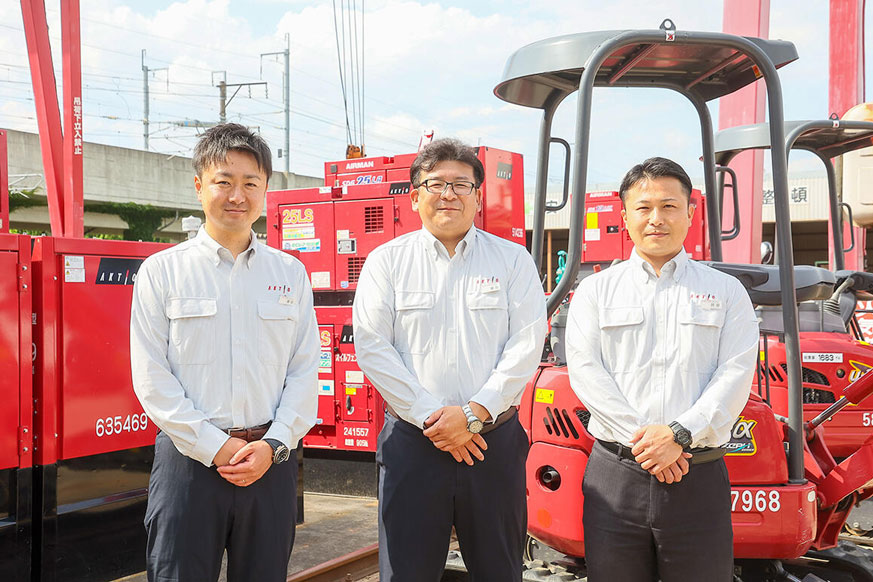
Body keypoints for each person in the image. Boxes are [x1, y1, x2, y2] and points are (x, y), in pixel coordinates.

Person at [130, 123, 319, 582]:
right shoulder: (162, 273)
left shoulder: (290, 274)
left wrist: (273, 445)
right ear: (199, 187)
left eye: (250, 183)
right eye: (224, 182)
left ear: (265, 191)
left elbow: (304, 370)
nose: (238, 195)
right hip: (189, 466)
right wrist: (217, 448)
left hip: (269, 465)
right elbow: (151, 378)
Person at [353, 138, 547, 581]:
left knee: (499, 570)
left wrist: (475, 414)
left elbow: (526, 344)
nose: (448, 194)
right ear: (415, 194)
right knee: (407, 572)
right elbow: (373, 346)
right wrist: (434, 419)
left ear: (479, 196)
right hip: (413, 447)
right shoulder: (387, 262)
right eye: (435, 183)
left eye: (462, 184)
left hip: (492, 445)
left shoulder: (512, 261)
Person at [565, 157, 758, 581]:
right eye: (644, 207)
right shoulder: (595, 291)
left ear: (691, 213)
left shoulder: (726, 292)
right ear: (625, 216)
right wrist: (650, 443)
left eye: (669, 206)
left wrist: (679, 434)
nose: (657, 219)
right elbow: (585, 370)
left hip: (697, 473)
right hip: (615, 476)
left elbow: (736, 372)